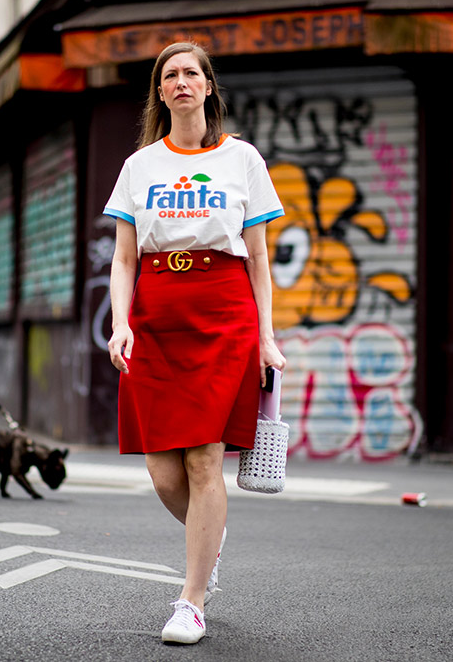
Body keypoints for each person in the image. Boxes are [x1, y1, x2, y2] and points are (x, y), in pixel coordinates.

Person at [105, 42, 286, 645]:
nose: (181, 82)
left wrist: (266, 335)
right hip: (155, 315)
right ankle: (210, 540)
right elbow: (124, 257)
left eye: (192, 73)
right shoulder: (139, 167)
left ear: (209, 87)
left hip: (222, 312)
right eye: (170, 75)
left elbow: (259, 258)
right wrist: (120, 321)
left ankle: (191, 600)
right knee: (163, 472)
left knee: (204, 459)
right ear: (160, 92)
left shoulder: (243, 160)